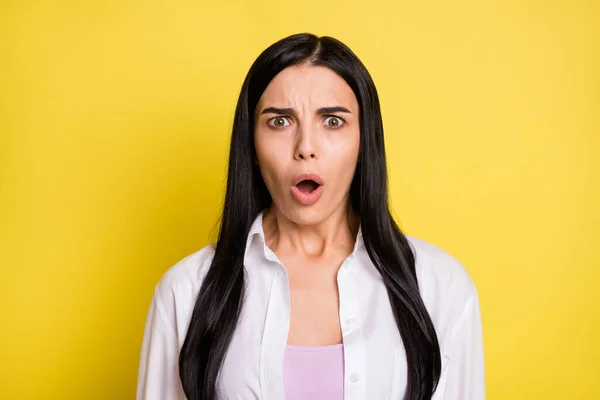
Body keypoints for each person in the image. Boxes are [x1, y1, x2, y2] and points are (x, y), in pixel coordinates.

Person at [136, 33, 485, 400]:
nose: (305, 148)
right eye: (279, 122)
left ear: (365, 142)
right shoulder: (185, 293)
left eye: (332, 122)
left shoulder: (441, 288)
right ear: (251, 145)